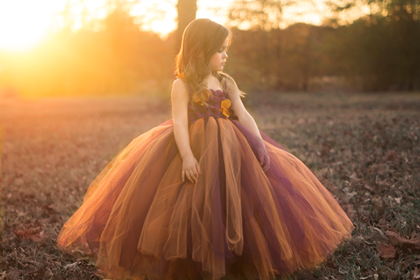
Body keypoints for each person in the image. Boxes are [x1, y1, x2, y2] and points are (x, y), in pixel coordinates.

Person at [57, 18, 354, 280]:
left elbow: (243, 113)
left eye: (227, 50)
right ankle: (195, 259)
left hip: (232, 145)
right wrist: (187, 155)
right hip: (196, 147)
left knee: (236, 196)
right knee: (194, 200)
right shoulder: (183, 84)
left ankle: (239, 257)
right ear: (201, 50)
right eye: (221, 49)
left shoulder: (226, 81)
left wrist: (259, 143)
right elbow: (179, 124)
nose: (226, 55)